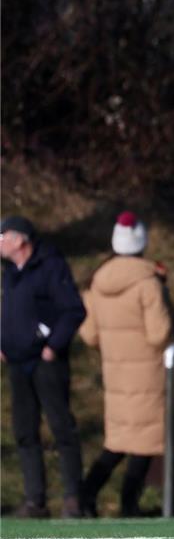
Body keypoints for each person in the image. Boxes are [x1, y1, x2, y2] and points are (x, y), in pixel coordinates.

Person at [77, 212, 173, 517]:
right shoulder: (148, 283)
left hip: (116, 373)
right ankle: (128, 503)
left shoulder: (96, 282)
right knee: (145, 441)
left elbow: (89, 334)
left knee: (118, 441)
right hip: (148, 374)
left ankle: (86, 494)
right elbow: (159, 333)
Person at [0, 215, 87, 518]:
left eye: (3, 235)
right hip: (18, 363)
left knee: (62, 427)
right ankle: (35, 500)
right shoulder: (10, 274)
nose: (0, 242)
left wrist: (54, 345)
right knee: (24, 432)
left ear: (21, 239)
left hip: (46, 362)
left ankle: (74, 498)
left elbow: (73, 310)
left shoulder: (51, 266)